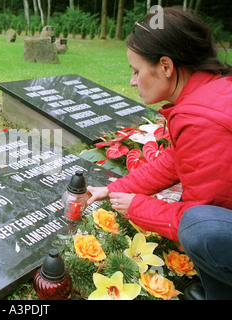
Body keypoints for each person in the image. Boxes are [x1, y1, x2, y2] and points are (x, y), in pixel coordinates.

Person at [86, 7, 232, 299]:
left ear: (166, 66)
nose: (132, 81)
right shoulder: (210, 91)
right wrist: (113, 189)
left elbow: (199, 220)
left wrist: (137, 207)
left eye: (137, 71)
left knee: (198, 231)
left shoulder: (200, 119)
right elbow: (175, 162)